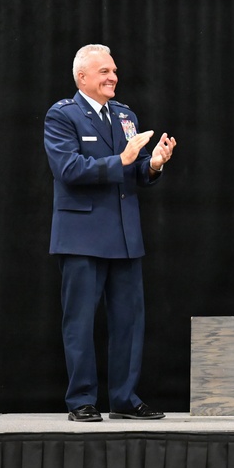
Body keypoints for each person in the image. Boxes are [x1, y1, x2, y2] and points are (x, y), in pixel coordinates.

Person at [44, 44, 176, 422]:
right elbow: (68, 168)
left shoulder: (125, 115)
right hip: (82, 235)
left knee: (129, 323)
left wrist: (153, 164)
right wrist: (122, 159)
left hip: (124, 234)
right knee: (80, 322)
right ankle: (82, 400)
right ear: (82, 77)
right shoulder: (62, 115)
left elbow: (134, 174)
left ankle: (124, 398)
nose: (113, 77)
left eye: (114, 70)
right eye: (104, 71)